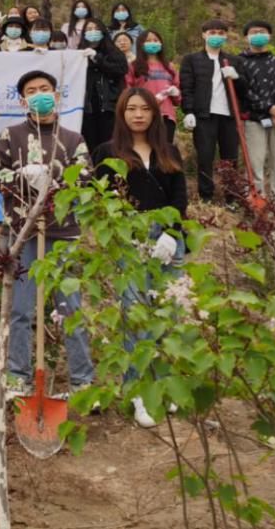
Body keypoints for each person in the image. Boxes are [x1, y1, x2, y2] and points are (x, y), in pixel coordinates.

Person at [0, 70, 94, 397]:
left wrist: (54, 180)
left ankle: (82, 381)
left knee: (70, 309)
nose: (39, 95)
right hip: (22, 233)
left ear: (56, 95)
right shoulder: (11, 135)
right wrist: (23, 176)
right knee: (20, 309)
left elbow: (85, 178)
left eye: (44, 89)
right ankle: (18, 377)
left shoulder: (73, 139)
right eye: (31, 91)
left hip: (63, 231)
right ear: (23, 101)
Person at [93, 87, 187, 428]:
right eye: (131, 108)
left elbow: (180, 198)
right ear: (122, 113)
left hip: (169, 240)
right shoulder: (107, 152)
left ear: (154, 114)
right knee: (135, 314)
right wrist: (124, 233)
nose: (138, 115)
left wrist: (171, 233)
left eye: (144, 109)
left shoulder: (169, 150)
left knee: (168, 313)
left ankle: (164, 383)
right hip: (129, 240)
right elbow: (101, 200)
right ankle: (137, 390)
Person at [179, 18, 249, 203]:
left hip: (229, 117)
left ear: (226, 36)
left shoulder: (234, 60)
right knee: (205, 157)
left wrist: (237, 77)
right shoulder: (191, 60)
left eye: (220, 33)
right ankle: (206, 197)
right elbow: (187, 87)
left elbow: (244, 90)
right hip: (204, 116)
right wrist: (188, 111)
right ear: (204, 35)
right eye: (212, 33)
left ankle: (231, 198)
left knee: (230, 159)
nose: (216, 36)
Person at [236, 20, 275, 206]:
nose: (258, 35)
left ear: (269, 35)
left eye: (262, 31)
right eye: (254, 32)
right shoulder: (239, 62)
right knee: (254, 164)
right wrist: (268, 108)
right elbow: (245, 92)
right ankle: (256, 203)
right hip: (254, 120)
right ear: (246, 37)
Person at [78, 17, 129, 151]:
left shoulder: (114, 52)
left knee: (109, 146)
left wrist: (97, 58)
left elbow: (121, 70)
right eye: (89, 29)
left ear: (103, 31)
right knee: (89, 146)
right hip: (87, 109)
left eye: (96, 28)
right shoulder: (79, 54)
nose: (92, 31)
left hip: (109, 108)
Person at [126, 30, 181, 141]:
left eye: (155, 40)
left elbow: (178, 99)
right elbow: (127, 91)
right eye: (148, 40)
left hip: (166, 115)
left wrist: (176, 93)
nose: (152, 43)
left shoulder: (169, 67)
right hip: (143, 115)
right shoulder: (134, 66)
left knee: (165, 148)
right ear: (141, 44)